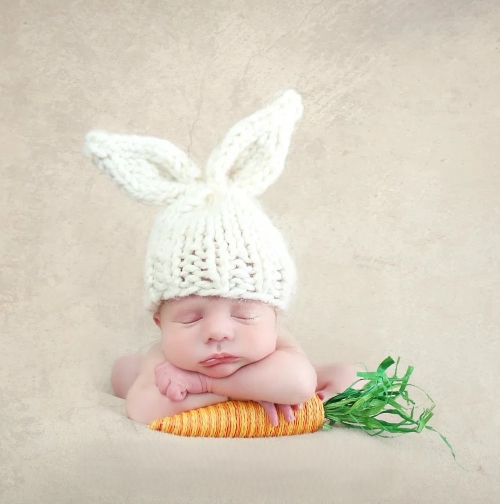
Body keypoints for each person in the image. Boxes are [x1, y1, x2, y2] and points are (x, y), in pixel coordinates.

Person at [84, 90, 362, 428]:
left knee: (350, 376)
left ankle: (325, 371)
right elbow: (142, 410)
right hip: (162, 371)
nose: (217, 332)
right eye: (188, 319)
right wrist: (246, 390)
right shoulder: (167, 357)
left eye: (244, 314)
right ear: (160, 322)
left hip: (247, 373)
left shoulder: (277, 348)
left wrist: (206, 385)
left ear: (273, 316)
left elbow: (300, 385)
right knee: (126, 371)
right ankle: (135, 367)